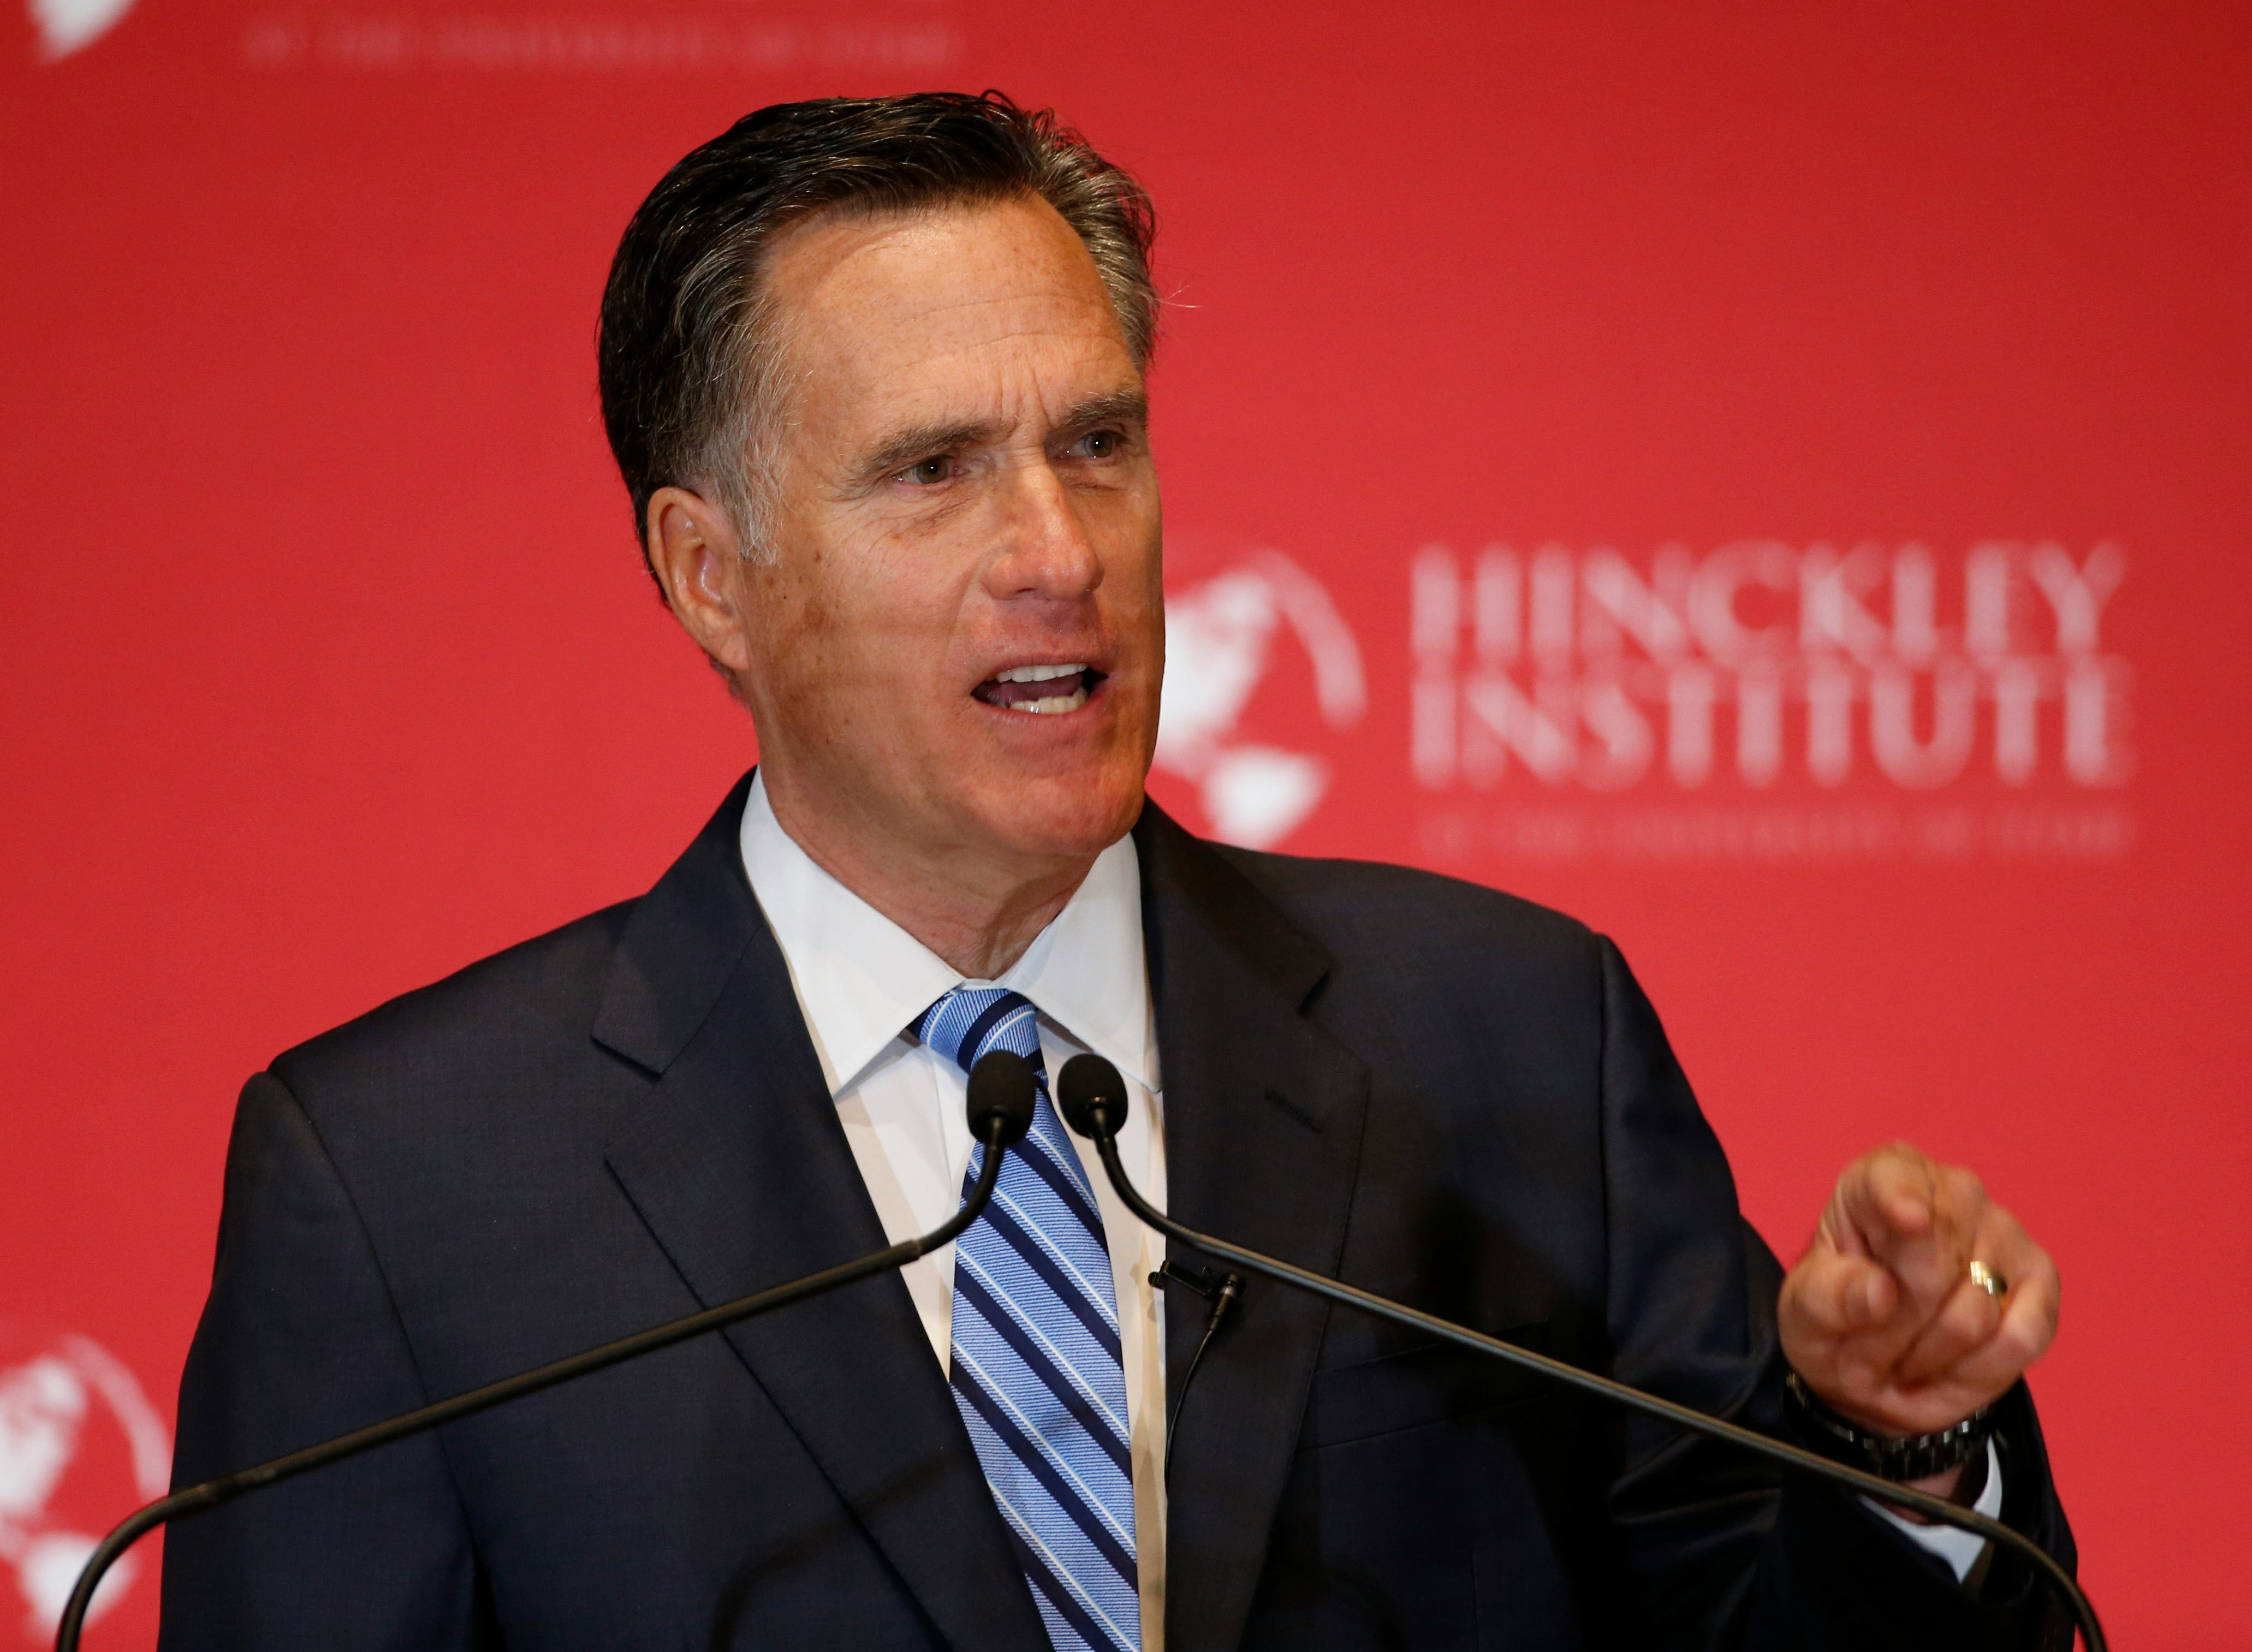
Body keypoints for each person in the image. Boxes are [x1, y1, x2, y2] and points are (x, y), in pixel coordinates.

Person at [161, 93, 2075, 1651]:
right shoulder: (405, 1191)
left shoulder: (1503, 1040)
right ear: (709, 574)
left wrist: (1877, 1447)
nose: (1059, 549)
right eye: (933, 469)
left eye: (1096, 441)